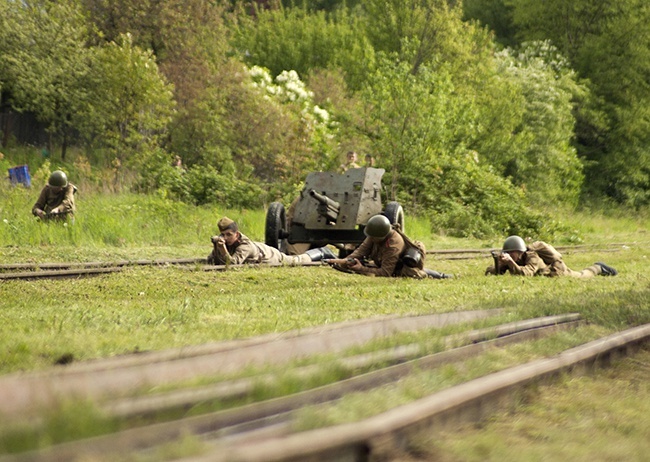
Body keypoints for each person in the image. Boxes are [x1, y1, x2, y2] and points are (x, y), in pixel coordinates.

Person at [324, 214, 452, 279]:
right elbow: (360, 252)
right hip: (384, 263)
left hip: (398, 268)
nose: (370, 238)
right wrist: (346, 262)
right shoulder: (375, 234)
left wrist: (361, 269)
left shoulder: (393, 245)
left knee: (415, 274)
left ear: (381, 236)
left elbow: (386, 272)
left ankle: (442, 276)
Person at [207, 216, 337, 266]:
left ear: (237, 234)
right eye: (223, 235)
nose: (226, 238)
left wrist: (222, 249)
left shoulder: (245, 246)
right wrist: (216, 247)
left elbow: (233, 263)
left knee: (298, 260)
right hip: (261, 250)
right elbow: (212, 260)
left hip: (272, 256)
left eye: (229, 234)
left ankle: (322, 252)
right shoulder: (228, 242)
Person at [486, 235, 618, 277]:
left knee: (582, 276)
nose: (508, 255)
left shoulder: (532, 257)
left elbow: (526, 273)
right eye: (506, 253)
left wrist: (510, 263)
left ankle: (599, 267)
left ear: (520, 251)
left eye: (511, 253)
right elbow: (491, 272)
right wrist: (499, 264)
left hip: (557, 271)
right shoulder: (515, 260)